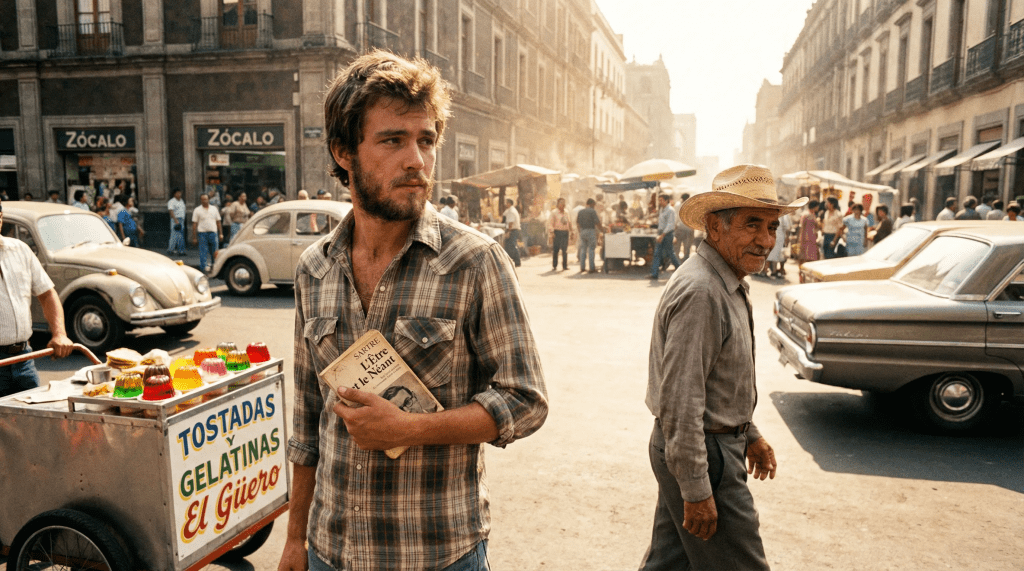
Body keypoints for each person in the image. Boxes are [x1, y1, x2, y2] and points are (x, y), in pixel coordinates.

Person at [282, 51, 548, 571]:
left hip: (437, 555)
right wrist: (296, 538)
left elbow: (526, 401)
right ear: (343, 152)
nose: (417, 161)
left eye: (426, 140)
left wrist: (410, 429)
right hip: (330, 552)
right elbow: (308, 420)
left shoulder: (474, 261)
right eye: (392, 140)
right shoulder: (315, 269)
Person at [641, 165, 795, 571]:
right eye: (752, 225)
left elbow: (717, 382)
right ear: (714, 227)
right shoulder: (703, 291)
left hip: (707, 445)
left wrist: (750, 434)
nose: (766, 241)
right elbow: (680, 401)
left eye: (772, 227)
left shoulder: (724, 279)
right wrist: (696, 487)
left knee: (669, 564)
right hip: (704, 454)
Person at [0, 198, 75, 397]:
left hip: (24, 358)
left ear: (1, 218)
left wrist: (59, 333)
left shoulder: (20, 250)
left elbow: (47, 293)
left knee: (34, 421)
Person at [650, 193, 682, 280]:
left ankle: (680, 271)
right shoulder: (662, 209)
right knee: (657, 253)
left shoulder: (670, 210)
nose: (659, 202)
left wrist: (662, 235)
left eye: (661, 200)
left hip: (667, 234)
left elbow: (670, 225)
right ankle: (654, 274)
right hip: (661, 232)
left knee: (670, 253)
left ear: (666, 200)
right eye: (659, 200)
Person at [191, 193, 222, 273]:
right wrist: (194, 237)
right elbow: (194, 224)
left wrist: (221, 233)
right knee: (203, 252)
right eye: (202, 199)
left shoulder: (214, 209)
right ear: (200, 200)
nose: (204, 201)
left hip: (213, 233)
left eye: (206, 199)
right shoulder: (197, 210)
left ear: (208, 199)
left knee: (215, 252)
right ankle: (203, 270)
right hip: (202, 234)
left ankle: (214, 269)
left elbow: (218, 221)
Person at [577, 198, 603, 273]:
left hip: (582, 231)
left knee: (583, 250)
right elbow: (597, 222)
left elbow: (577, 223)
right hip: (591, 231)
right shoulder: (592, 211)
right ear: (592, 204)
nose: (594, 206)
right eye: (594, 205)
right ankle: (591, 268)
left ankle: (582, 267)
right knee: (591, 249)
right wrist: (602, 230)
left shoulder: (580, 211)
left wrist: (580, 232)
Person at [546, 197, 573, 271]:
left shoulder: (566, 212)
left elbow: (569, 222)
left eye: (564, 203)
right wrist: (552, 232)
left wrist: (572, 231)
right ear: (558, 204)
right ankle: (554, 265)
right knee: (556, 250)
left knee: (565, 250)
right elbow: (550, 223)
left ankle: (565, 266)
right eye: (561, 203)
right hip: (557, 232)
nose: (563, 204)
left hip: (565, 232)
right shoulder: (554, 212)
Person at [765, 209, 792, 279]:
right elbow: (787, 227)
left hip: (774, 237)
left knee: (772, 255)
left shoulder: (771, 214)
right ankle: (769, 271)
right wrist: (787, 237)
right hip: (778, 238)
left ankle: (771, 271)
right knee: (774, 255)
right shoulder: (784, 216)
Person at [797, 200, 820, 267]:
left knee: (811, 257)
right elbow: (802, 227)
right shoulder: (806, 214)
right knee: (804, 256)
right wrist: (801, 238)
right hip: (806, 238)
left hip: (812, 238)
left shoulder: (812, 214)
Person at [673, 193, 695, 262]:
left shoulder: (677, 205)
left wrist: (675, 227)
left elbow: (676, 218)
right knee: (687, 247)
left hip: (679, 228)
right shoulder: (691, 205)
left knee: (677, 247)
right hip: (689, 228)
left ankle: (677, 262)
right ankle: (685, 262)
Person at [502, 198, 522, 267]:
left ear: (509, 203)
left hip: (513, 230)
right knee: (508, 246)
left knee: (512, 246)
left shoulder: (511, 211)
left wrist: (508, 232)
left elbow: (511, 223)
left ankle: (517, 262)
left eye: (506, 202)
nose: (505, 204)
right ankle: (510, 262)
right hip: (513, 230)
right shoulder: (509, 210)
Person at [167, 187, 187, 255]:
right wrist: (176, 221)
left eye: (180, 192)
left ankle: (181, 250)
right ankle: (170, 249)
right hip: (176, 219)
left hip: (181, 219)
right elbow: (171, 211)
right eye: (178, 193)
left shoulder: (181, 201)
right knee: (174, 235)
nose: (179, 194)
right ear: (174, 194)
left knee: (180, 235)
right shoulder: (171, 201)